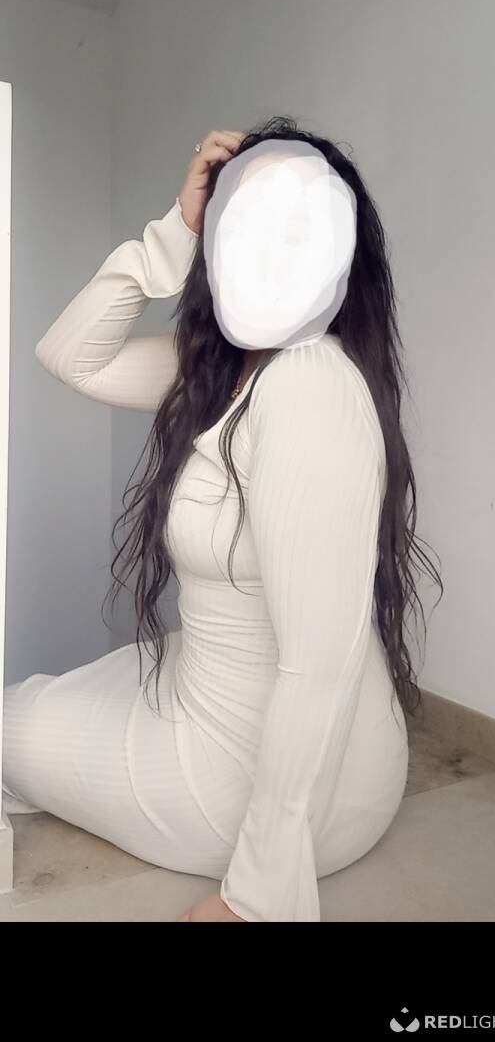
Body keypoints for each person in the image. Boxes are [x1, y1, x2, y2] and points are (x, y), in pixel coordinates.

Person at [2, 116, 440, 922]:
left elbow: (321, 664)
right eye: (242, 225)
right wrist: (176, 228)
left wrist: (257, 898)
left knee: (10, 721)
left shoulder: (309, 386)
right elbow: (71, 354)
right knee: (85, 684)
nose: (265, 254)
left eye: (293, 232)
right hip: (239, 713)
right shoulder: (219, 372)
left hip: (264, 791)